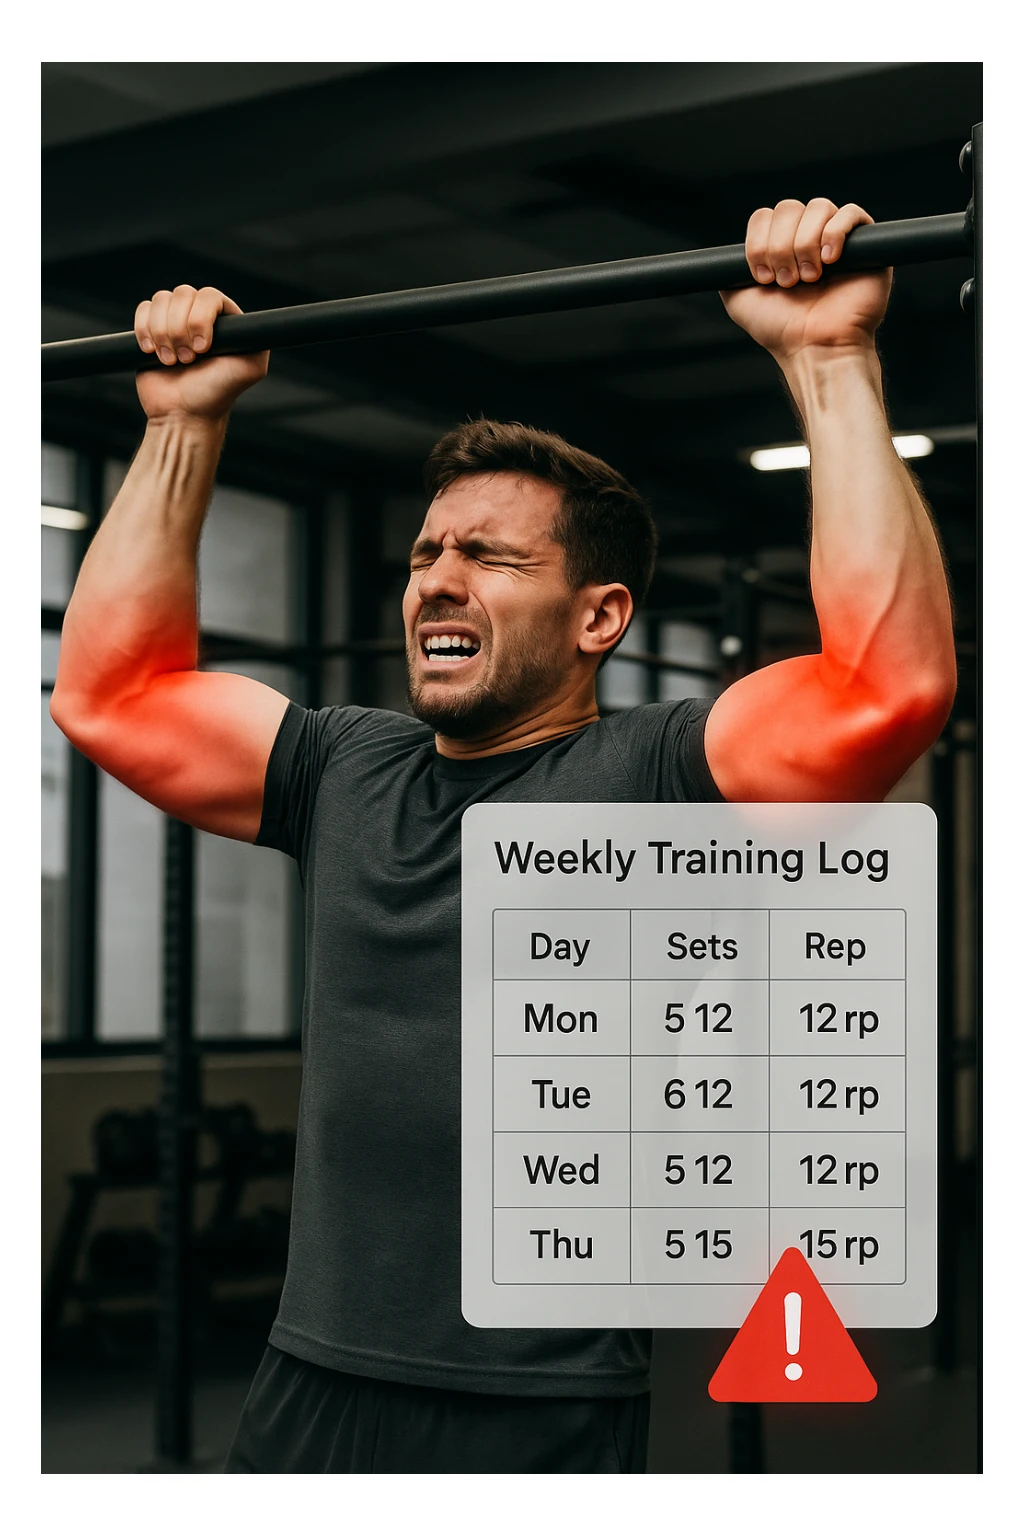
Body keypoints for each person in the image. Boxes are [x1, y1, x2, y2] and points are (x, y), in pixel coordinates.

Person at [50, 198, 956, 1473]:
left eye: (488, 556)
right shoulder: (342, 768)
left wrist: (823, 358)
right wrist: (182, 429)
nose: (435, 577)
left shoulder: (656, 775)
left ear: (599, 619)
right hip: (307, 1378)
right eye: (426, 552)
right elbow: (111, 696)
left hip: (530, 1410)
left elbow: (884, 687)